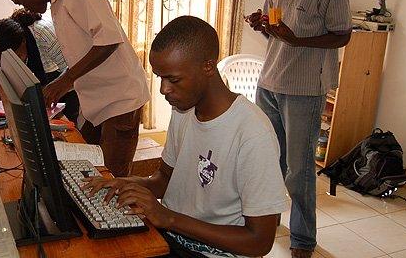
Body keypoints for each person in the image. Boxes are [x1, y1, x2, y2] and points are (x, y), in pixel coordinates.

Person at [83, 16, 288, 258]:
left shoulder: (253, 134)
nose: (163, 89)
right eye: (160, 77)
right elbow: (165, 179)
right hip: (170, 238)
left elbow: (259, 242)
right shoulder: (183, 110)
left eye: (173, 79)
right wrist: (126, 184)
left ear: (208, 67)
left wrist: (168, 218)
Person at [246, 0, 351, 258]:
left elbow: (342, 35)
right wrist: (260, 25)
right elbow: (273, 25)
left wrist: (298, 40)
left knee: (299, 169)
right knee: (268, 160)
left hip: (304, 89)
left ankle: (303, 241)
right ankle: (268, 220)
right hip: (270, 81)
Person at [4, 0, 150, 177]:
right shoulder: (56, 5)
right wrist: (60, 84)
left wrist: (66, 80)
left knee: (111, 178)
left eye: (20, 1)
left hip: (120, 100)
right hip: (97, 102)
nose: (24, 8)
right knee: (84, 168)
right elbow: (82, 56)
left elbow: (108, 40)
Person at [0, 13, 80, 123]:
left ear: (24, 42)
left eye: (17, 56)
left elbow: (74, 71)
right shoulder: (2, 40)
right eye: (5, 60)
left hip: (69, 88)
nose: (14, 63)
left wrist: (54, 88)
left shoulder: (44, 34)